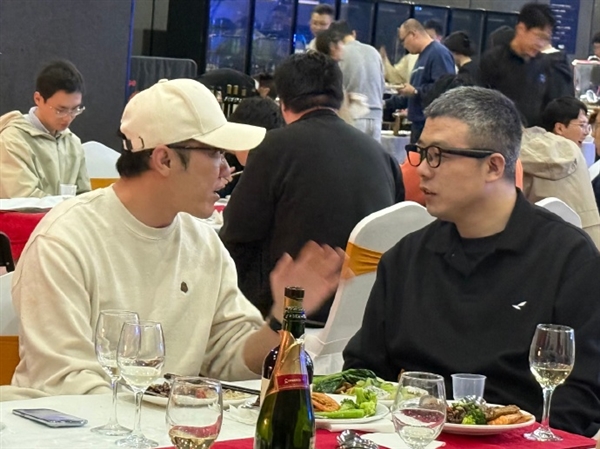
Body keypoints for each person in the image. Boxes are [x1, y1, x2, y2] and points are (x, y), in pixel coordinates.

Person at [8, 78, 345, 398]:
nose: (227, 171)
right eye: (215, 153)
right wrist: (172, 410)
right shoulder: (66, 239)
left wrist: (284, 316)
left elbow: (231, 357)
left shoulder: (204, 243)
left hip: (169, 422)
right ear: (164, 159)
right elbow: (65, 380)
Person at [343, 86, 600, 438]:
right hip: (414, 439)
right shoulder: (405, 258)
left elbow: (581, 398)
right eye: (421, 153)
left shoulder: (568, 259)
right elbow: (365, 373)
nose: (422, 170)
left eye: (438, 155)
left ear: (493, 166)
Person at [220, 52, 404, 325]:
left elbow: (236, 231)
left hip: (291, 316)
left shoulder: (273, 147)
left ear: (282, 103)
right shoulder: (383, 156)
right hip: (368, 317)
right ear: (339, 98)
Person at [517, 96, 600, 249]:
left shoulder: (517, 154)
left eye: (588, 126)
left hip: (548, 249)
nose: (587, 133)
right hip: (590, 247)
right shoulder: (575, 153)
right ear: (560, 128)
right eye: (582, 125)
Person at [0, 60, 90, 199]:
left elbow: (84, 196)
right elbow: (24, 198)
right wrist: (67, 207)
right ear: (38, 99)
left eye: (75, 109)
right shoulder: (12, 140)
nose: (68, 118)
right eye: (60, 110)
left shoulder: (73, 143)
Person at [479, 3, 569, 128]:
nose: (541, 44)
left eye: (546, 39)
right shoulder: (493, 60)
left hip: (534, 136)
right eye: (538, 36)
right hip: (500, 132)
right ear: (521, 29)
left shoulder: (545, 64)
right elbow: (481, 105)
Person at [387, 19, 455, 143]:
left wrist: (415, 91)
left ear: (413, 34)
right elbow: (415, 93)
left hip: (430, 125)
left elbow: (445, 89)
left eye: (403, 40)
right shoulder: (421, 57)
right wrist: (387, 103)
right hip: (418, 124)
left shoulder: (438, 53)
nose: (403, 46)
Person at [328, 21, 385, 141]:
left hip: (352, 115)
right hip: (376, 115)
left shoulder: (340, 54)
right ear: (353, 33)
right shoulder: (374, 52)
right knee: (372, 153)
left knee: (351, 152)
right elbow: (382, 85)